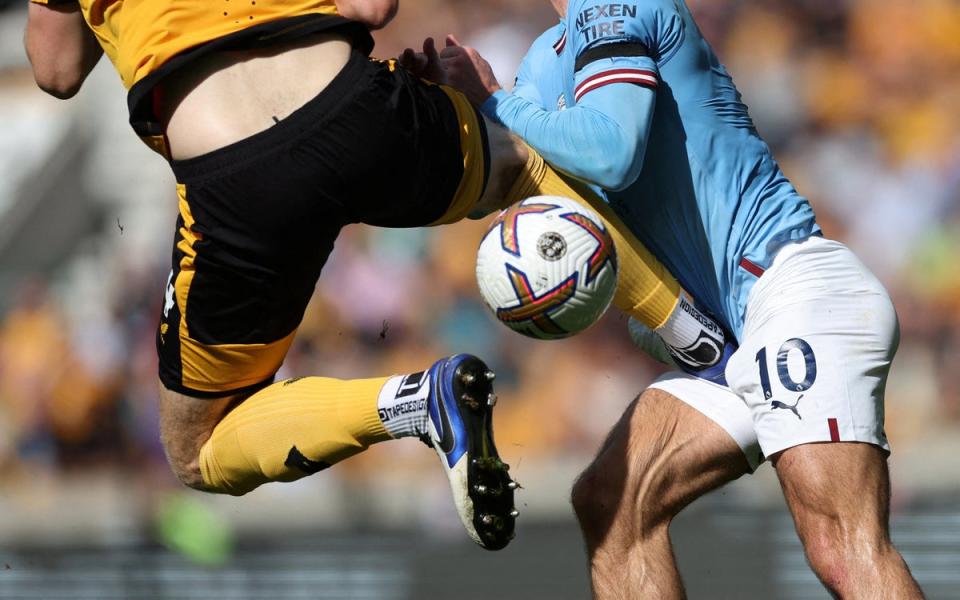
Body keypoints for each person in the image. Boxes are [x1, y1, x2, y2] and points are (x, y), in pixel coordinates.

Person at [22, 0, 735, 551]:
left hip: (234, 175)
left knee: (200, 447)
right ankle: (694, 333)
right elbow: (372, 8)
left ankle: (414, 403)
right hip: (352, 108)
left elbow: (54, 72)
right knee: (525, 163)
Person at [431, 0, 926, 595]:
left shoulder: (618, 4)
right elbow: (513, 178)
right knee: (612, 502)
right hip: (731, 339)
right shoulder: (544, 58)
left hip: (790, 289)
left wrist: (492, 100)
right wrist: (436, 109)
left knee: (839, 544)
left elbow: (611, 154)